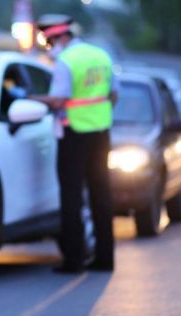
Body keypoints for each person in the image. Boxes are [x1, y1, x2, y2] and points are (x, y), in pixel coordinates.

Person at [28, 14, 118, 273]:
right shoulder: (101, 56)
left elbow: (58, 101)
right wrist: (98, 115)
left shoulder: (66, 62)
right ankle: (105, 258)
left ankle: (74, 260)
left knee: (72, 197)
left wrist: (32, 97)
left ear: (59, 38)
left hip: (73, 134)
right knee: (101, 195)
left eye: (49, 41)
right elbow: (114, 94)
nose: (49, 47)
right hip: (101, 133)